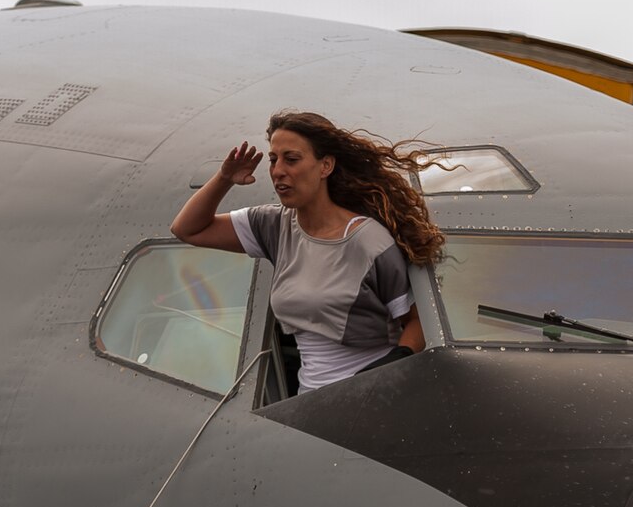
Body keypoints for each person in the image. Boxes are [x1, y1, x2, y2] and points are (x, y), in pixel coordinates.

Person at [171, 111, 446, 392]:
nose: (278, 171)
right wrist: (224, 177)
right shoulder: (274, 225)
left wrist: (393, 366)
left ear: (325, 166)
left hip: (370, 395)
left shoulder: (369, 241)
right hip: (310, 399)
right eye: (273, 160)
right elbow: (188, 229)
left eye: (291, 160)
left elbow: (417, 321)